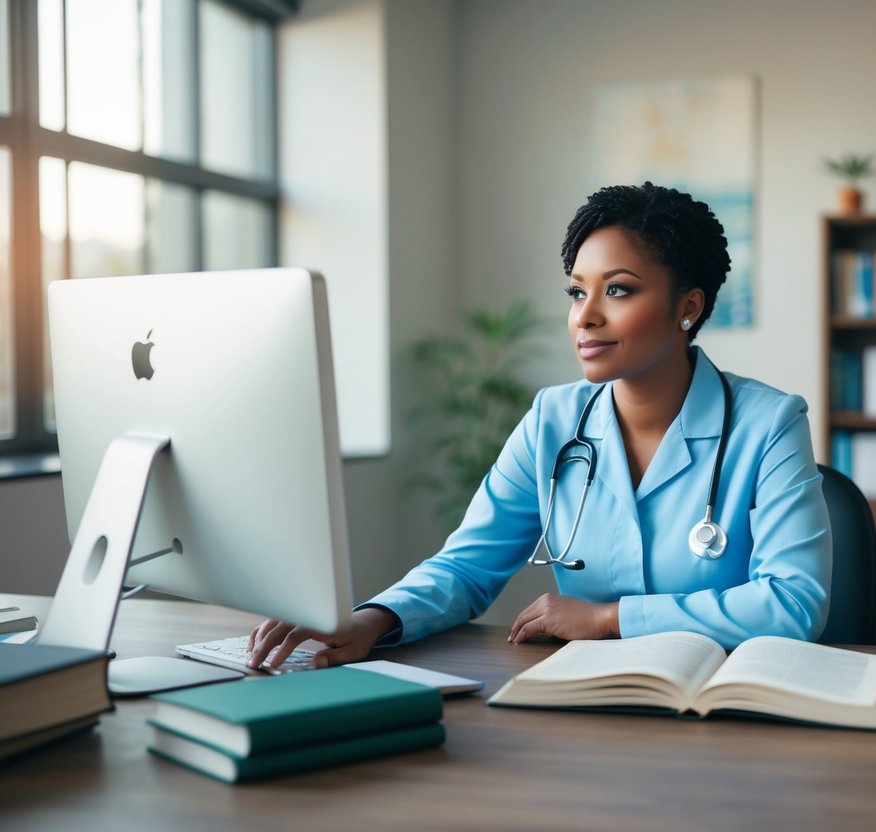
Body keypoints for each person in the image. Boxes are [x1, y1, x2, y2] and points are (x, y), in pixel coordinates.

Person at [249, 182, 832, 669]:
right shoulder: (552, 420)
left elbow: (794, 602)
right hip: (586, 698)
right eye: (577, 291)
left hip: (721, 705)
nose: (586, 315)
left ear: (690, 306)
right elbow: (467, 566)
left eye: (619, 290)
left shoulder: (769, 424)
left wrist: (608, 618)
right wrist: (372, 620)